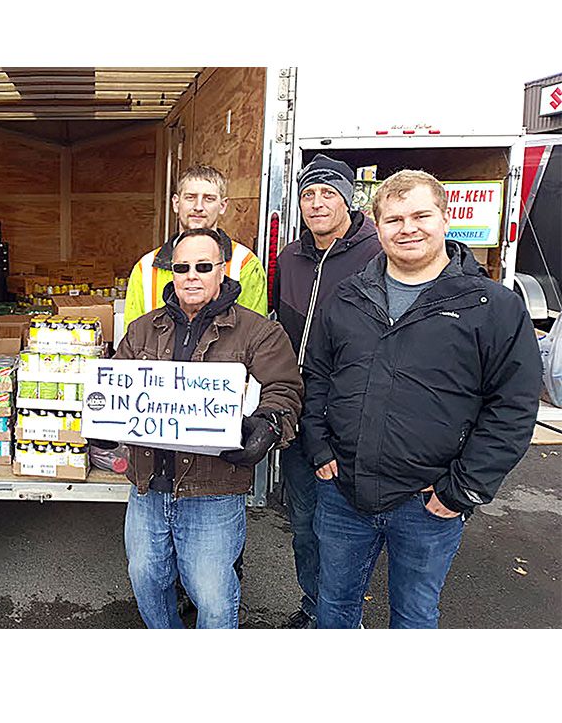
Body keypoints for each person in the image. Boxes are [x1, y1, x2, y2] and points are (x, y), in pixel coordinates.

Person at [301, 169, 542, 629]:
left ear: (444, 219)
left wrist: (463, 489)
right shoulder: (348, 297)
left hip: (429, 499)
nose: (407, 228)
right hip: (344, 492)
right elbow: (316, 375)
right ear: (377, 227)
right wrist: (317, 444)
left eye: (420, 215)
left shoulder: (490, 306)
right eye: (393, 219)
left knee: (413, 617)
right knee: (333, 610)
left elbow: (512, 407)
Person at [111, 228, 303, 628]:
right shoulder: (142, 328)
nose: (191, 275)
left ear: (221, 271)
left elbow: (283, 390)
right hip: (147, 486)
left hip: (212, 489)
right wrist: (103, 422)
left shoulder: (258, 332)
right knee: (146, 579)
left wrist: (267, 426)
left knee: (213, 595)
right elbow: (117, 385)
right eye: (182, 267)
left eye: (203, 266)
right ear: (171, 273)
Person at [270, 154, 382, 629]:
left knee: (345, 530)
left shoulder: (376, 253)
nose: (317, 203)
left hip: (350, 413)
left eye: (327, 193)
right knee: (304, 523)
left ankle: (342, 617)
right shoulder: (289, 258)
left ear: (348, 198)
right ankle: (314, 605)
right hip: (298, 406)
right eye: (308, 194)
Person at [124, 164, 268, 326]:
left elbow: (254, 337)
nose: (198, 207)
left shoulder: (245, 264)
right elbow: (131, 340)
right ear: (176, 203)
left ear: (223, 206)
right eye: (190, 197)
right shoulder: (146, 268)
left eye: (209, 199)